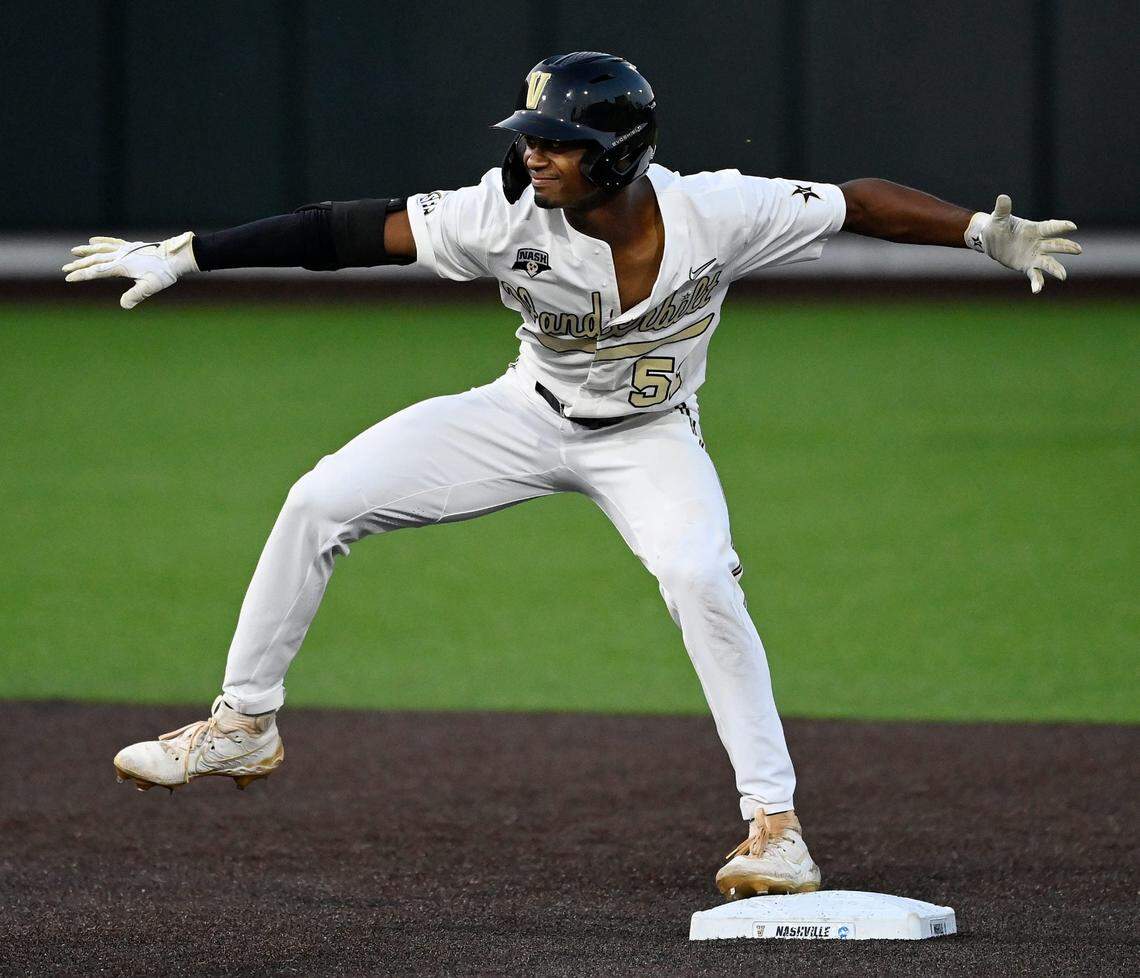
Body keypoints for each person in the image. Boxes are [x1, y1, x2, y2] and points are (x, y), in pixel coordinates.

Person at [63, 52, 1080, 900]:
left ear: (621, 156)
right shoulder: (500, 214)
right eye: (530, 135)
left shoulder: (717, 212)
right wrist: (189, 255)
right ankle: (244, 722)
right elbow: (343, 232)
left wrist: (980, 232)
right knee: (319, 497)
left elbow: (857, 203)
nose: (533, 154)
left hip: (650, 438)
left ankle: (777, 828)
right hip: (521, 416)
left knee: (697, 576)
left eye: (557, 141)